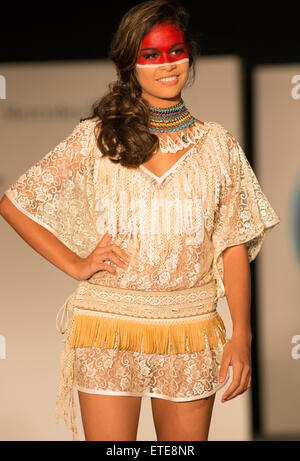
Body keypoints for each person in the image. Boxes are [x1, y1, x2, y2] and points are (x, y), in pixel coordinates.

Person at [0, 0, 280, 442]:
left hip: (190, 328)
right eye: (151, 55)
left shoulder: (218, 145)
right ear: (130, 62)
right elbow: (15, 203)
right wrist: (76, 264)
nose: (168, 65)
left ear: (190, 54)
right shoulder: (97, 136)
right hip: (108, 325)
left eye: (176, 50)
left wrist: (241, 335)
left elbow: (233, 243)